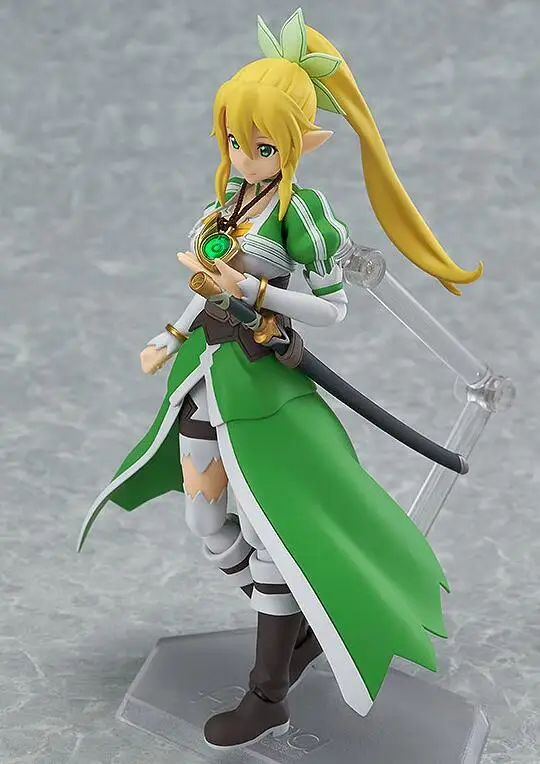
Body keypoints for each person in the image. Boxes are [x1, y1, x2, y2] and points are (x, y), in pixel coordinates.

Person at [79, 8, 482, 750]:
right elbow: (205, 284)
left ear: (299, 143)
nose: (244, 155)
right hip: (206, 378)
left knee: (273, 533)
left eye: (261, 145)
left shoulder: (304, 213)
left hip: (264, 389)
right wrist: (172, 334)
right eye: (235, 141)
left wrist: (256, 290)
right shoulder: (225, 204)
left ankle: (268, 693)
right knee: (207, 523)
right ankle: (303, 611)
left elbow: (333, 311)